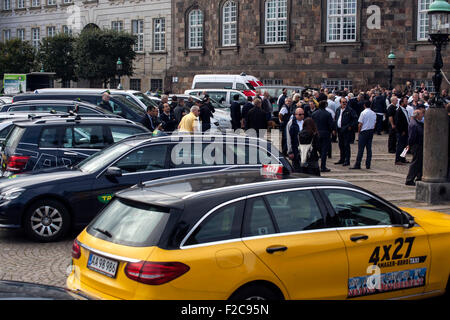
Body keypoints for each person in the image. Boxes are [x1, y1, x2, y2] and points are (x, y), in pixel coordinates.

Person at [350, 100, 376, 170]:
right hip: (370, 131)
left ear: (364, 105)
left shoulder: (363, 113)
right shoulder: (373, 113)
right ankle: (368, 164)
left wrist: (359, 132)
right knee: (369, 149)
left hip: (363, 131)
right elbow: (374, 123)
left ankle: (358, 164)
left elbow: (360, 124)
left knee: (361, 149)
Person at [312, 100, 334, 172]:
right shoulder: (328, 114)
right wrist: (331, 131)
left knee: (315, 150)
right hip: (325, 134)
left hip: (316, 134)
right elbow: (331, 125)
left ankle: (314, 166)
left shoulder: (314, 114)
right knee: (324, 151)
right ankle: (323, 166)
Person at [334, 97, 357, 166]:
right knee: (341, 145)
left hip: (346, 130)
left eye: (345, 102)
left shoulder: (350, 110)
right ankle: (342, 159)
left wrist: (350, 126)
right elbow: (336, 118)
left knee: (346, 145)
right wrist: (335, 129)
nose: (344, 103)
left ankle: (347, 160)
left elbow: (355, 119)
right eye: (343, 102)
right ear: (340, 103)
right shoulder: (338, 109)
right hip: (339, 129)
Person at [405, 109, 424, 185]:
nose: (422, 115)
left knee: (419, 162)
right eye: (421, 114)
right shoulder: (414, 124)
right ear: (417, 115)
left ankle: (419, 177)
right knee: (415, 162)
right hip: (416, 145)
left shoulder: (417, 123)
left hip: (419, 145)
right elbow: (412, 137)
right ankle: (409, 179)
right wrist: (410, 145)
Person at [287, 107, 305, 172]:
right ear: (295, 114)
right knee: (296, 167)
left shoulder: (305, 122)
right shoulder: (291, 123)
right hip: (295, 148)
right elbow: (289, 138)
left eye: (303, 114)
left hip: (304, 149)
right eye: (300, 114)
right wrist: (290, 151)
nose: (302, 116)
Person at [394, 97, 410, 165]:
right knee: (400, 145)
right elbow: (398, 123)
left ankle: (403, 158)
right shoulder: (399, 111)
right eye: (405, 101)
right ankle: (398, 159)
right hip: (401, 132)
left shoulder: (405, 110)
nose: (407, 103)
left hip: (406, 131)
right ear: (402, 103)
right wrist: (401, 131)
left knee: (405, 146)